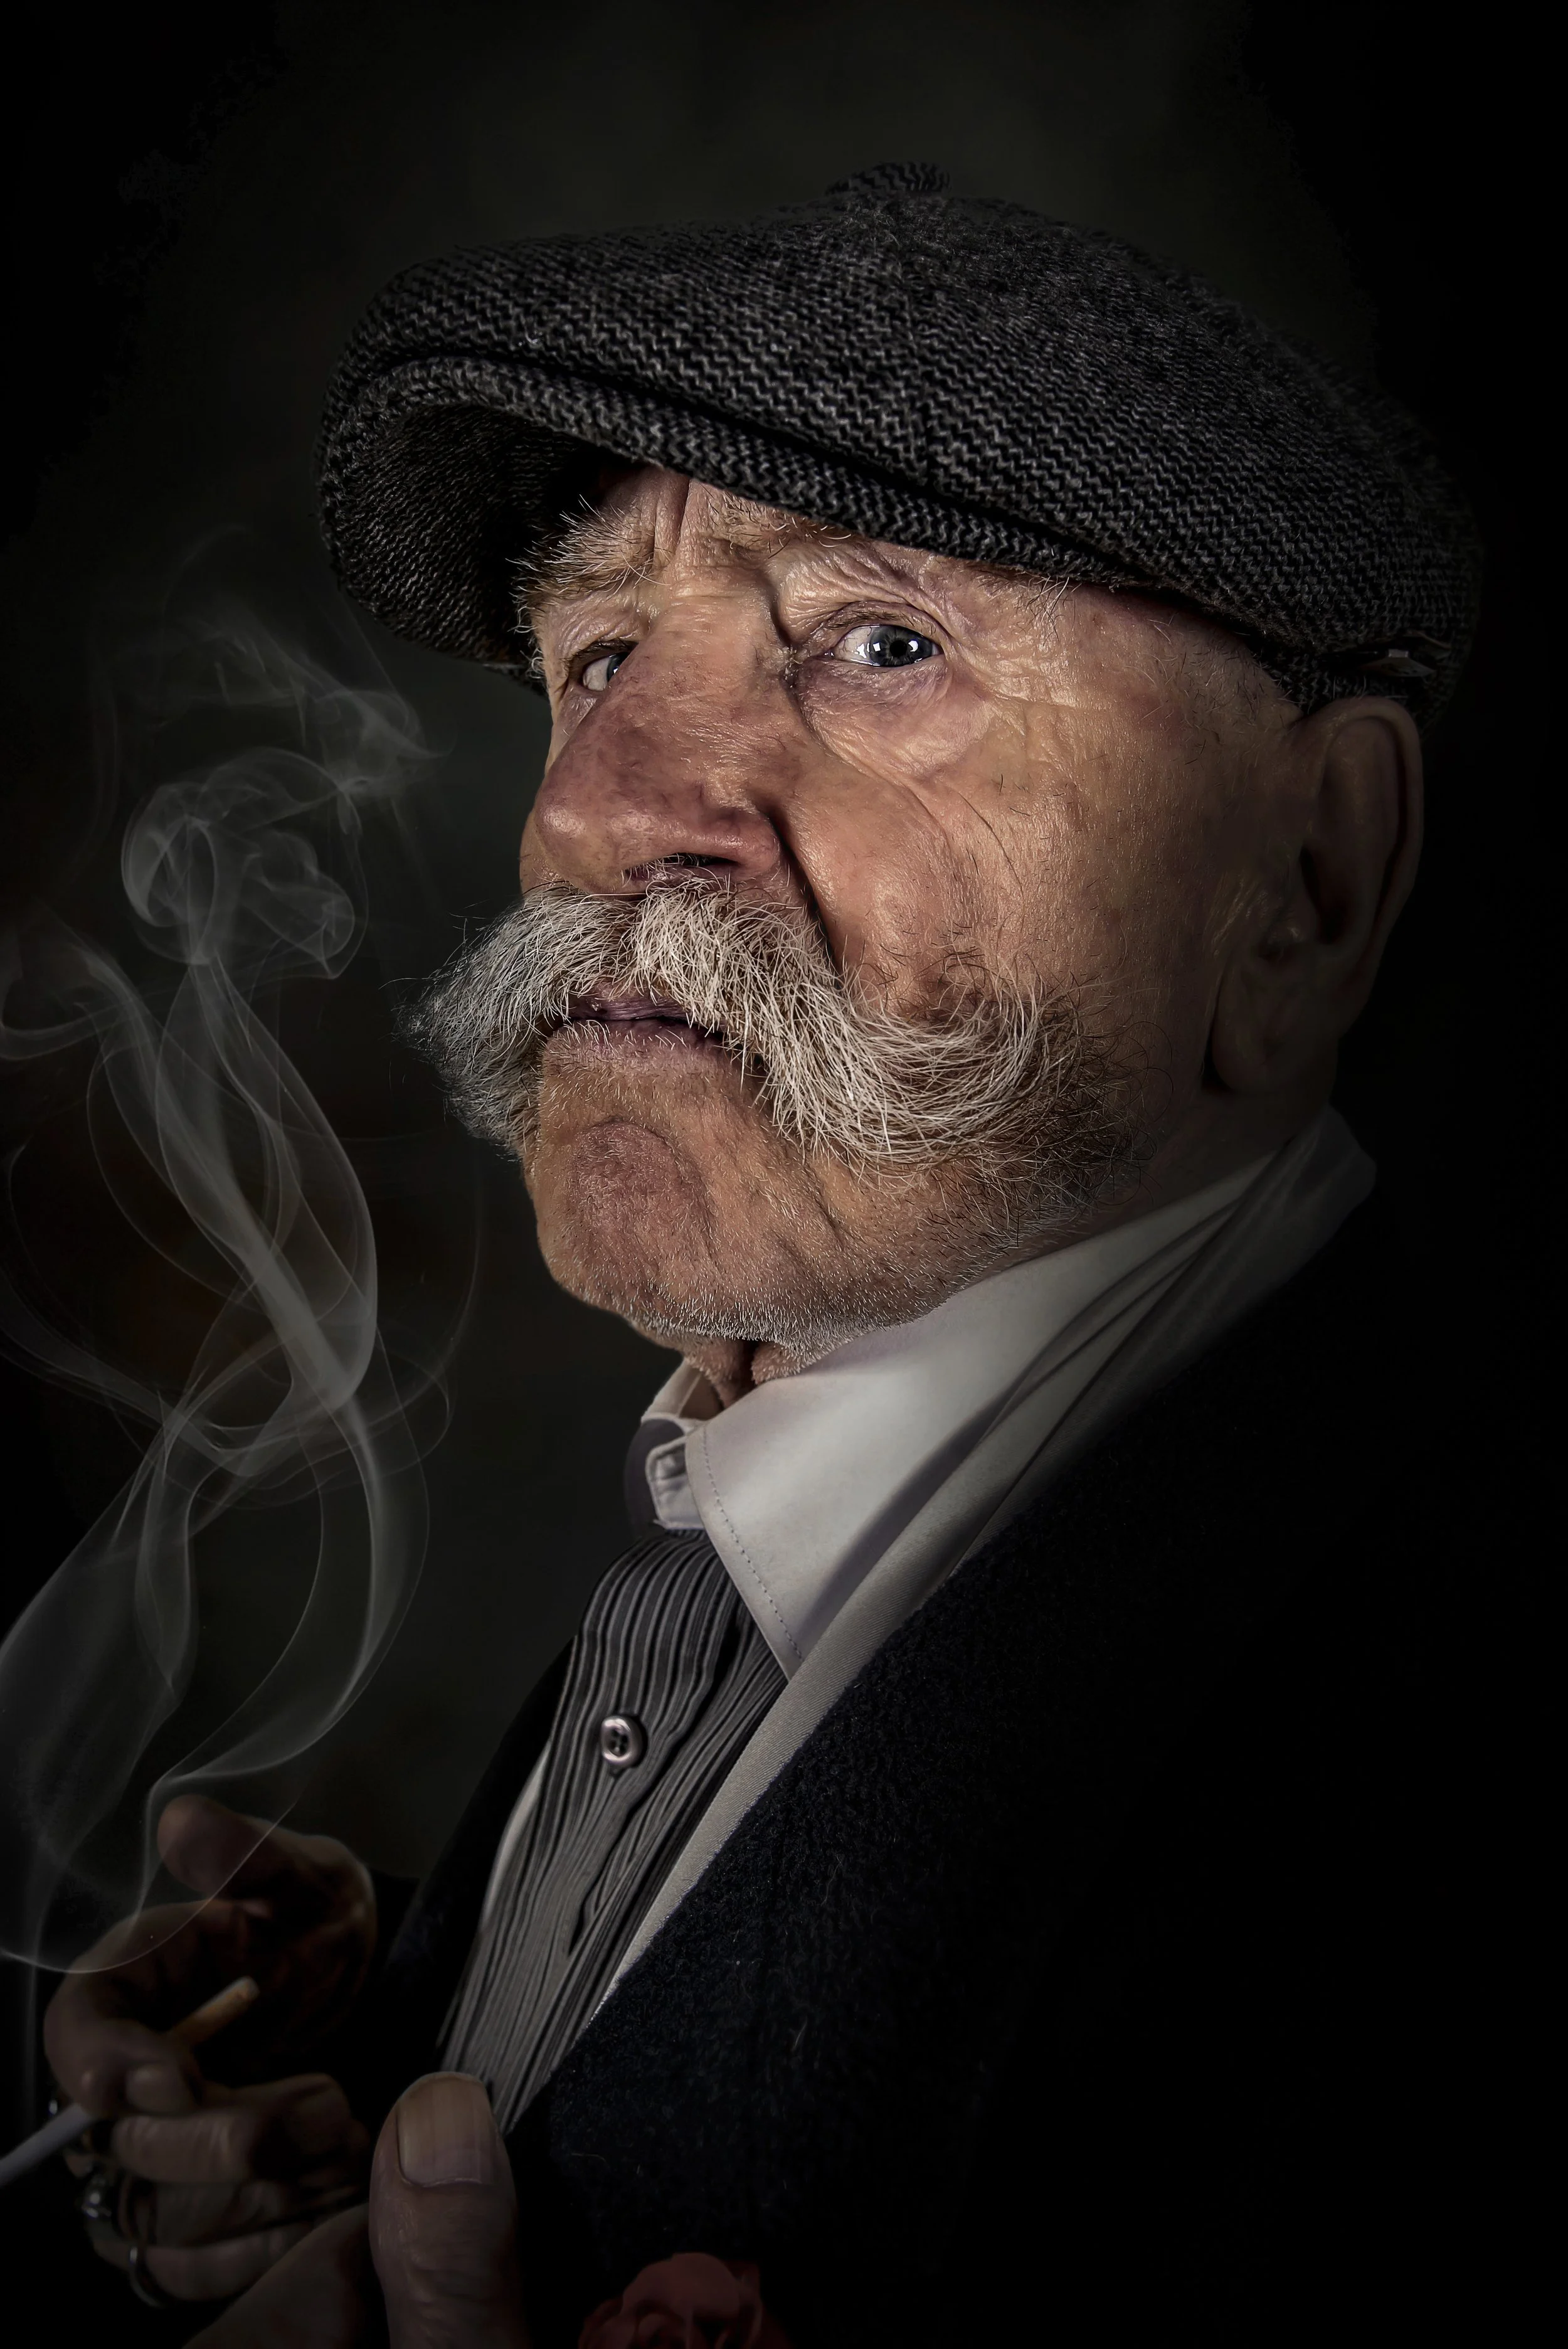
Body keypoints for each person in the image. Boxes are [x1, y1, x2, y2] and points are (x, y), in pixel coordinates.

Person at [42, 166, 1479, 2345]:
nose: (603, 807)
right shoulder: (791, 1463)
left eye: (880, 643)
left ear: (1307, 876)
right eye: (596, 653)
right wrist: (423, 2055)